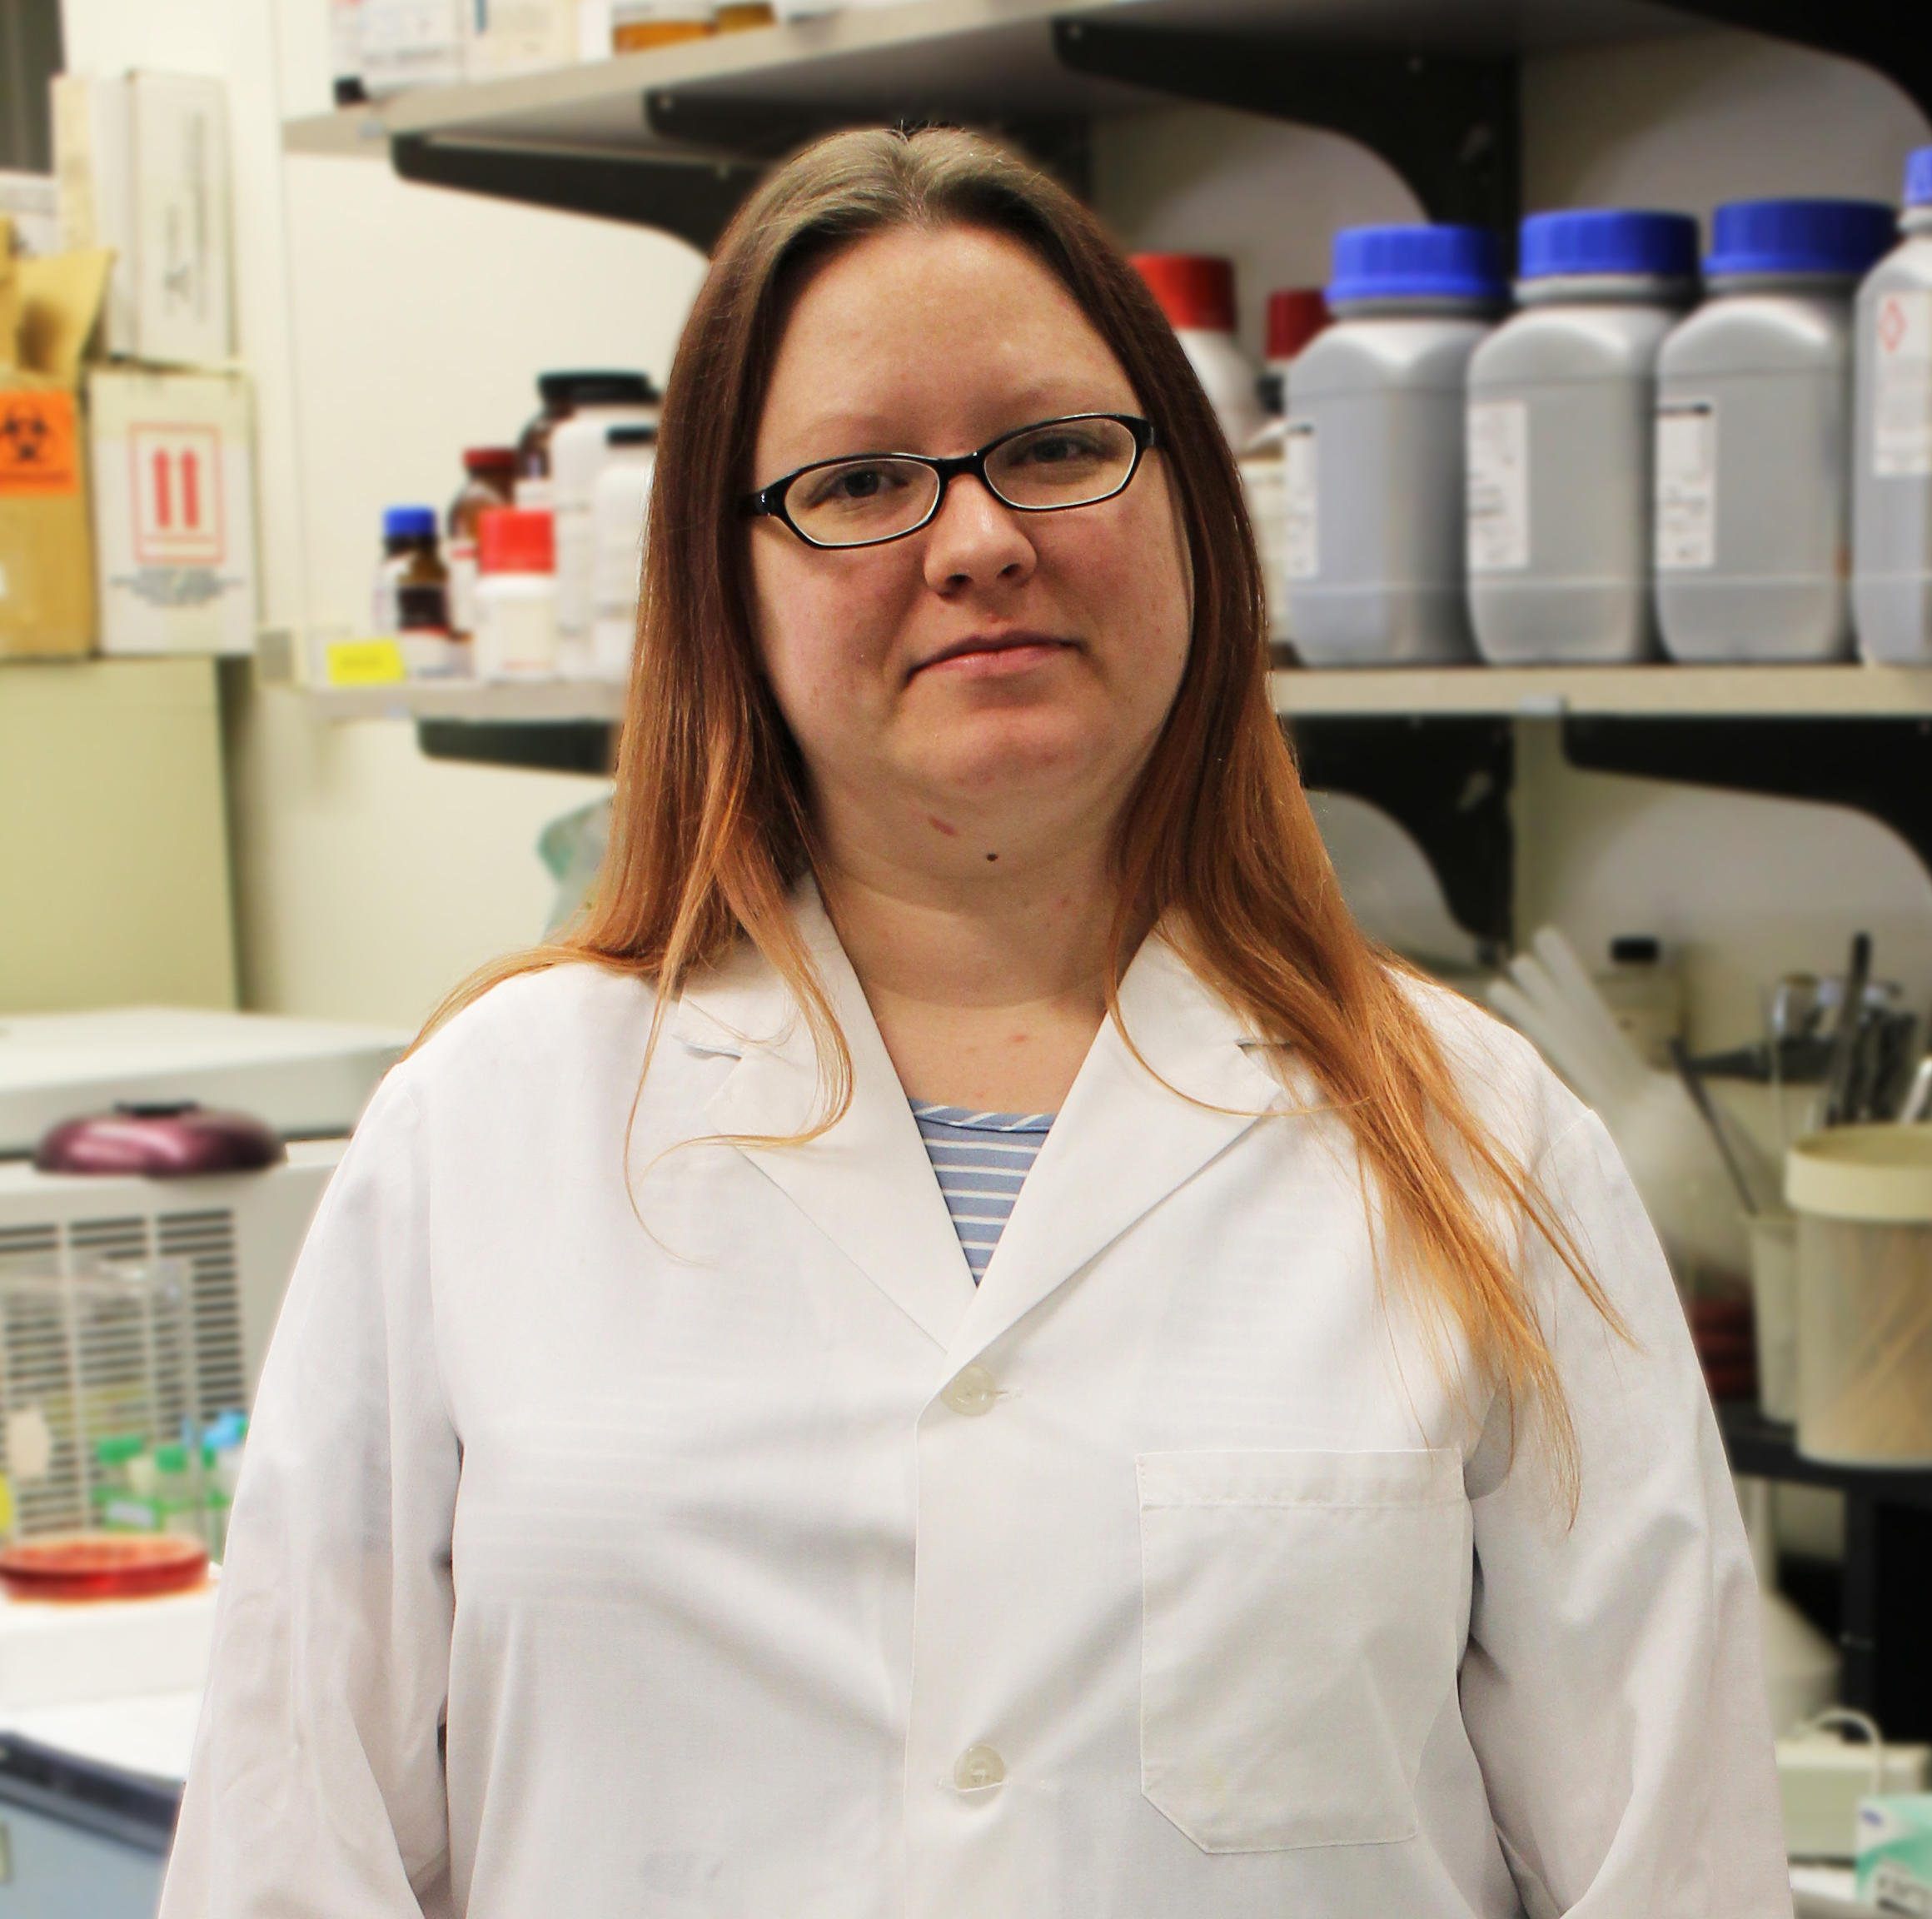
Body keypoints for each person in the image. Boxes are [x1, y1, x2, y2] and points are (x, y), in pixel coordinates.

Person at [162, 127, 1784, 1917]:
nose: (983, 541)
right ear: (730, 581)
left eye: (1063, 449)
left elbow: (1673, 1867)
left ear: (1191, 510)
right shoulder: (489, 1133)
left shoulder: (1479, 1137)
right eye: (859, 484)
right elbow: (286, 1857)